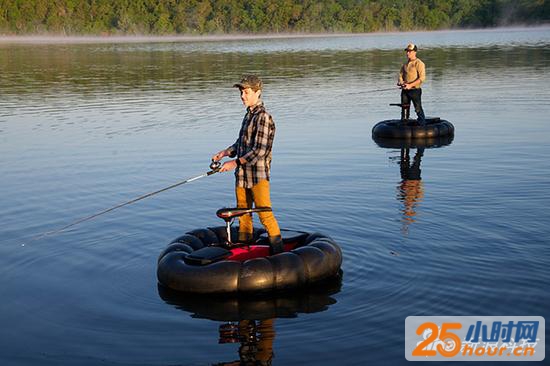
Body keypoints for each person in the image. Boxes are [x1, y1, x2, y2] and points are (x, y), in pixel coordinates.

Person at [212, 75, 283, 254]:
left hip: (257, 176)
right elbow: (241, 144)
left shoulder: (264, 118)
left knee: (265, 214)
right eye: (241, 92)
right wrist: (225, 152)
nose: (242, 96)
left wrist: (234, 163)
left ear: (257, 92)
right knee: (243, 214)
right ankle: (245, 251)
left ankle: (279, 252)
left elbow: (259, 151)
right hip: (242, 176)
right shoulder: (248, 116)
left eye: (246, 92)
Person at [398, 43, 426, 124]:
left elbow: (422, 78)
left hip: (415, 90)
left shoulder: (419, 63)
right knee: (404, 108)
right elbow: (400, 75)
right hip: (405, 91)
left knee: (417, 108)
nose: (407, 53)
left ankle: (422, 123)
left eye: (410, 51)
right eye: (407, 51)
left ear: (415, 52)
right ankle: (404, 122)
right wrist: (401, 82)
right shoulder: (405, 64)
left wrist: (410, 85)